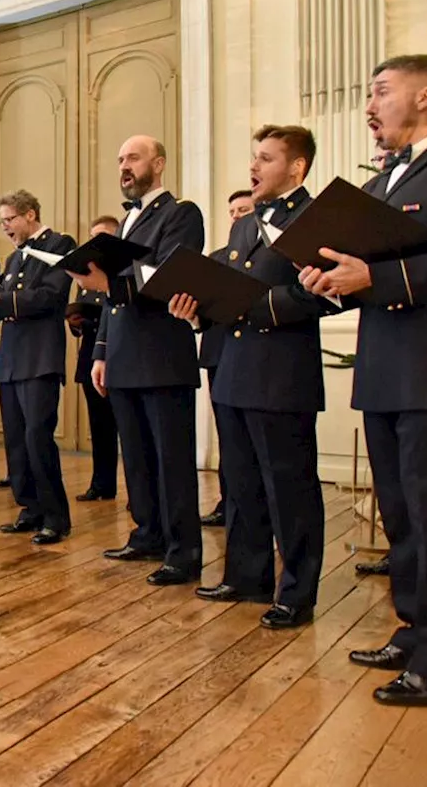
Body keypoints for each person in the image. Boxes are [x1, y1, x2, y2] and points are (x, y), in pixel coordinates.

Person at [300, 55, 427, 706]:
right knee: (402, 515)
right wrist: (328, 279)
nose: (370, 105)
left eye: (382, 91)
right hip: (387, 370)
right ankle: (418, 628)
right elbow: (360, 265)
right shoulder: (384, 180)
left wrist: (376, 278)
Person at [173, 125, 326, 630]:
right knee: (239, 483)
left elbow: (321, 294)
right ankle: (247, 575)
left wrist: (259, 306)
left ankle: (296, 594)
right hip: (235, 370)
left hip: (281, 374)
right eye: (253, 157)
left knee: (290, 490)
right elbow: (225, 290)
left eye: (265, 158)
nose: (253, 168)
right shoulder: (247, 224)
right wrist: (195, 310)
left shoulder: (315, 219)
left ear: (296, 167)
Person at [72, 135, 205, 586]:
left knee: (172, 458)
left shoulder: (181, 213)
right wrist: (101, 352)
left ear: (159, 163)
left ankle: (183, 552)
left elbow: (167, 274)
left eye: (132, 158)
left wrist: (107, 282)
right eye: (120, 159)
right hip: (125, 355)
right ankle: (147, 532)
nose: (124, 166)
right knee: (138, 457)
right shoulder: (126, 223)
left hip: (163, 355)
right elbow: (113, 302)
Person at [0, 191, 77, 542]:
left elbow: (50, 296)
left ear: (30, 214)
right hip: (11, 359)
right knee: (15, 442)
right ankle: (30, 507)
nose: (5, 227)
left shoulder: (59, 244)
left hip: (40, 358)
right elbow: (1, 307)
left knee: (37, 438)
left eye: (9, 219)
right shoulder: (13, 259)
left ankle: (56, 517)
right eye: (2, 221)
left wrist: (2, 299)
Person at [200, 189, 258, 527]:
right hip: (217, 351)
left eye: (244, 209)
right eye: (233, 210)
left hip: (248, 350)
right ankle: (227, 501)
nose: (237, 215)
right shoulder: (218, 257)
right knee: (228, 435)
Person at [68, 216, 120, 503]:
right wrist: (76, 322)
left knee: (126, 425)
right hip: (91, 354)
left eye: (100, 236)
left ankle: (138, 492)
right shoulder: (87, 275)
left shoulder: (121, 272)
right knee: (99, 425)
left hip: (118, 353)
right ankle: (101, 483)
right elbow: (81, 319)